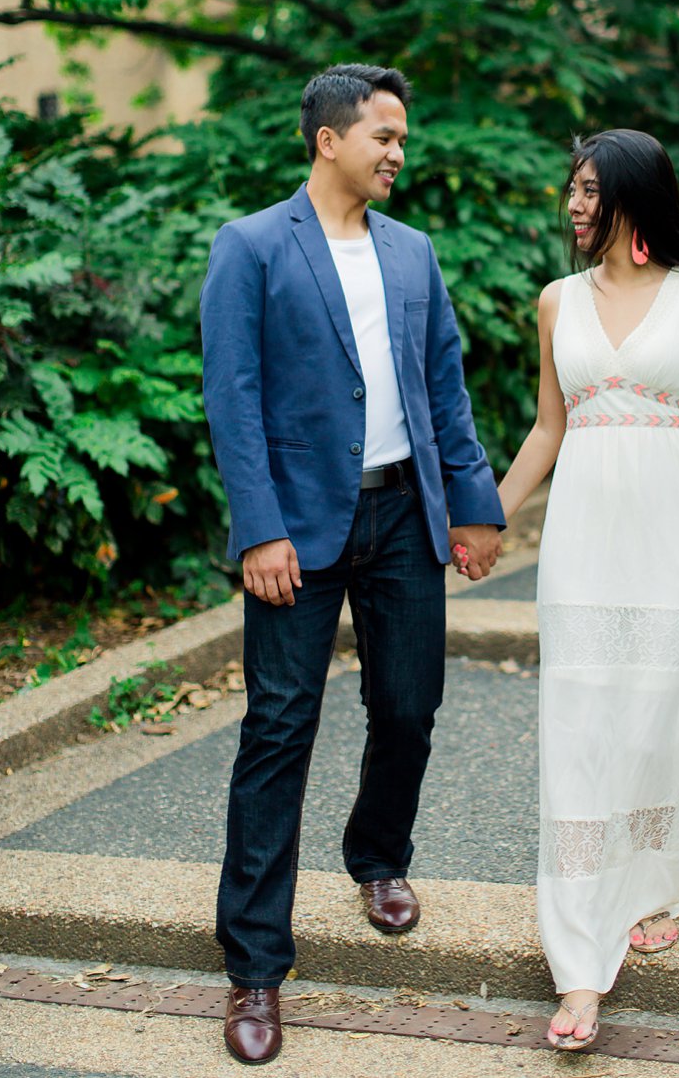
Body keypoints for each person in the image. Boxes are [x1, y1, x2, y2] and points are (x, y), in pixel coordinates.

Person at [200, 63, 504, 1066]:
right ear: (329, 137)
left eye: (403, 137)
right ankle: (253, 965)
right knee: (279, 727)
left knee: (410, 704)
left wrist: (473, 508)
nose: (398, 152)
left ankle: (378, 856)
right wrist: (259, 529)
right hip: (297, 528)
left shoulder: (413, 252)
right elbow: (232, 398)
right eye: (384, 135)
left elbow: (444, 389)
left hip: (403, 517)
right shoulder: (249, 246)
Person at [494, 128, 679, 1052]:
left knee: (657, 713)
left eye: (591, 188)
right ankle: (578, 962)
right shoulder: (556, 301)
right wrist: (486, 519)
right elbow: (545, 428)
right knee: (580, 724)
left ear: (634, 198)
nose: (574, 202)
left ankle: (654, 882)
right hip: (582, 544)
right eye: (571, 186)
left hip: (675, 533)